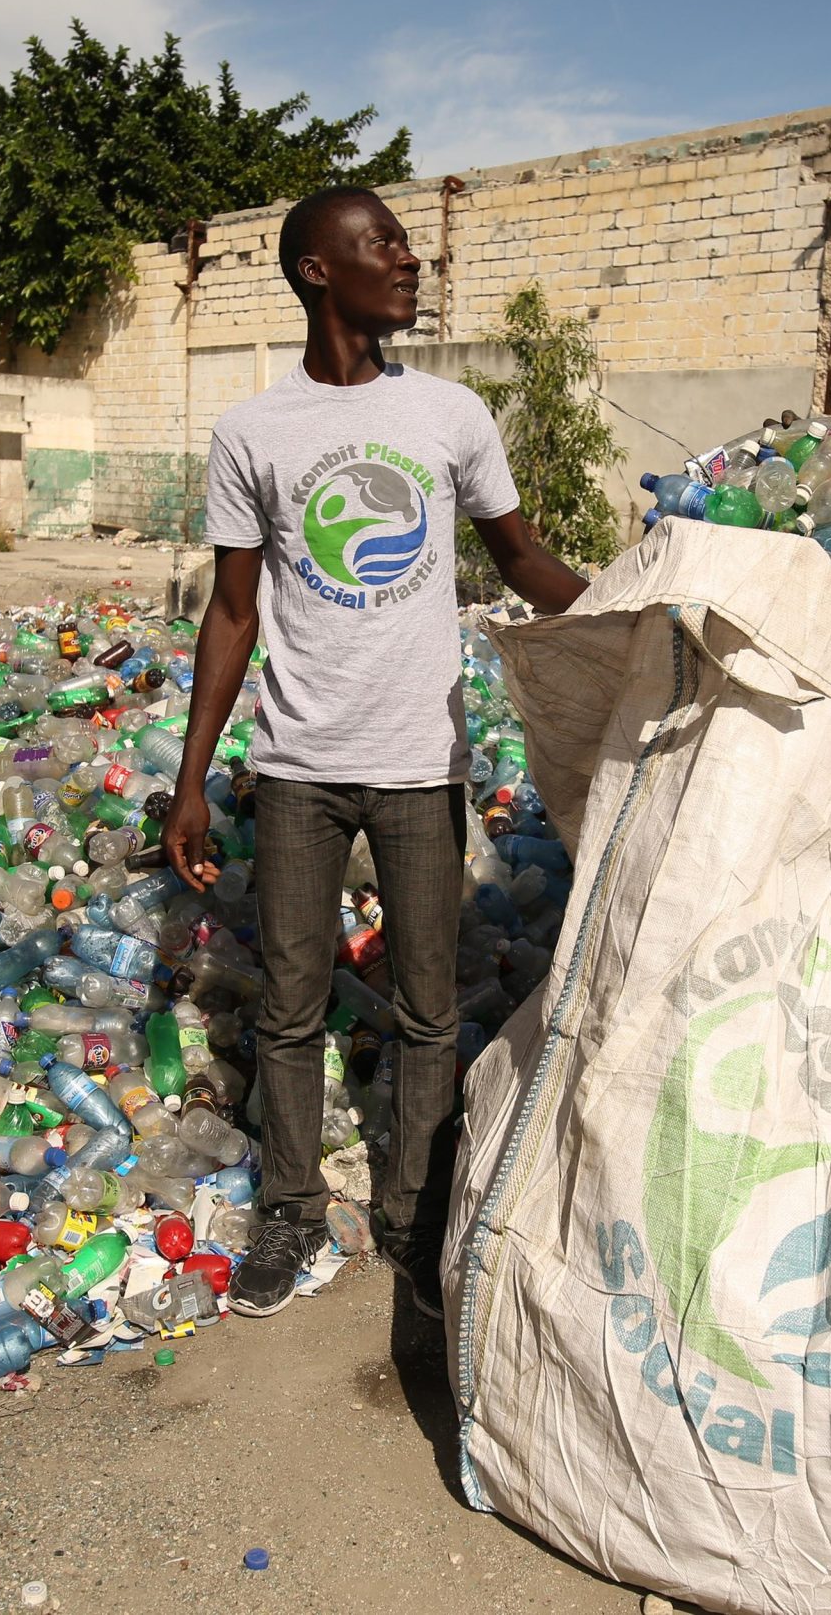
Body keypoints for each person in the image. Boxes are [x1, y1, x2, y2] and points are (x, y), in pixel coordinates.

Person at [161, 186, 590, 1322]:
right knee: (291, 1008)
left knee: (423, 1005)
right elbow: (232, 611)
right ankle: (292, 1207)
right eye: (382, 245)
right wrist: (191, 776)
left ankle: (412, 1208)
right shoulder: (252, 432)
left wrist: (644, 606)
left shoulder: (451, 415)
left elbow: (524, 562)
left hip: (419, 761)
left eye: (404, 242)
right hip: (298, 764)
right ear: (316, 270)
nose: (407, 261)